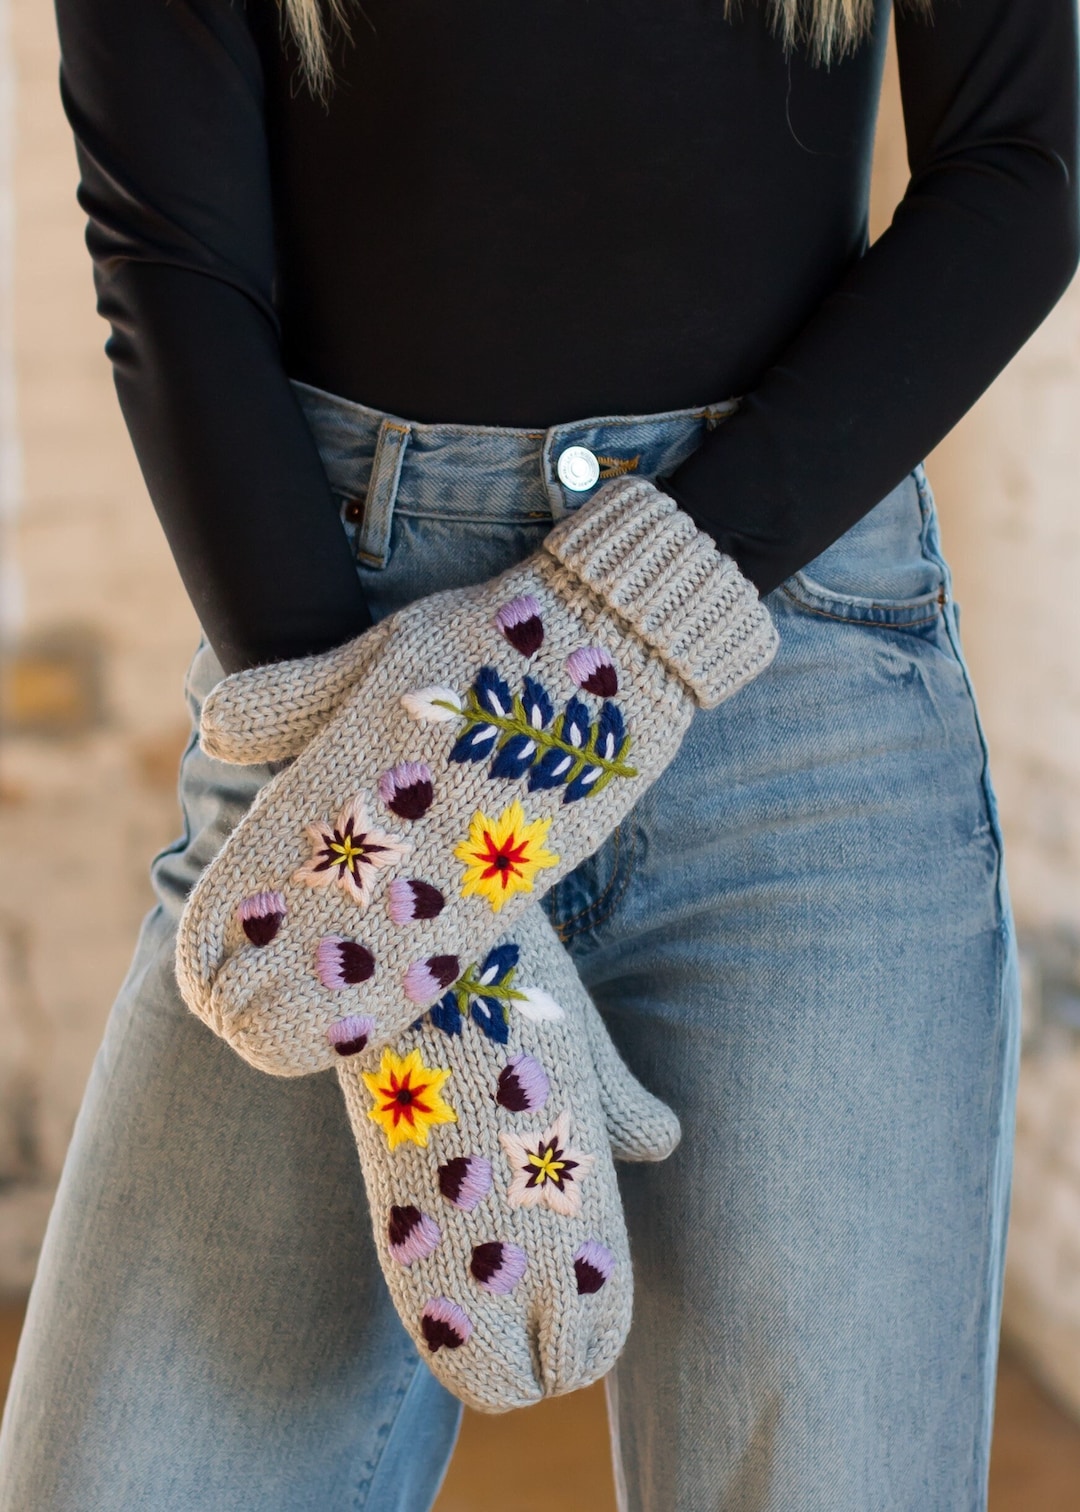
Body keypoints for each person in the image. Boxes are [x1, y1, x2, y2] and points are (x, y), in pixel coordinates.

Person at [1, 0, 1077, 1505]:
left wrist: (615, 641)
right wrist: (402, 858)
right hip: (331, 648)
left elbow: (1023, 166)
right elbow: (171, 263)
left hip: (797, 689)